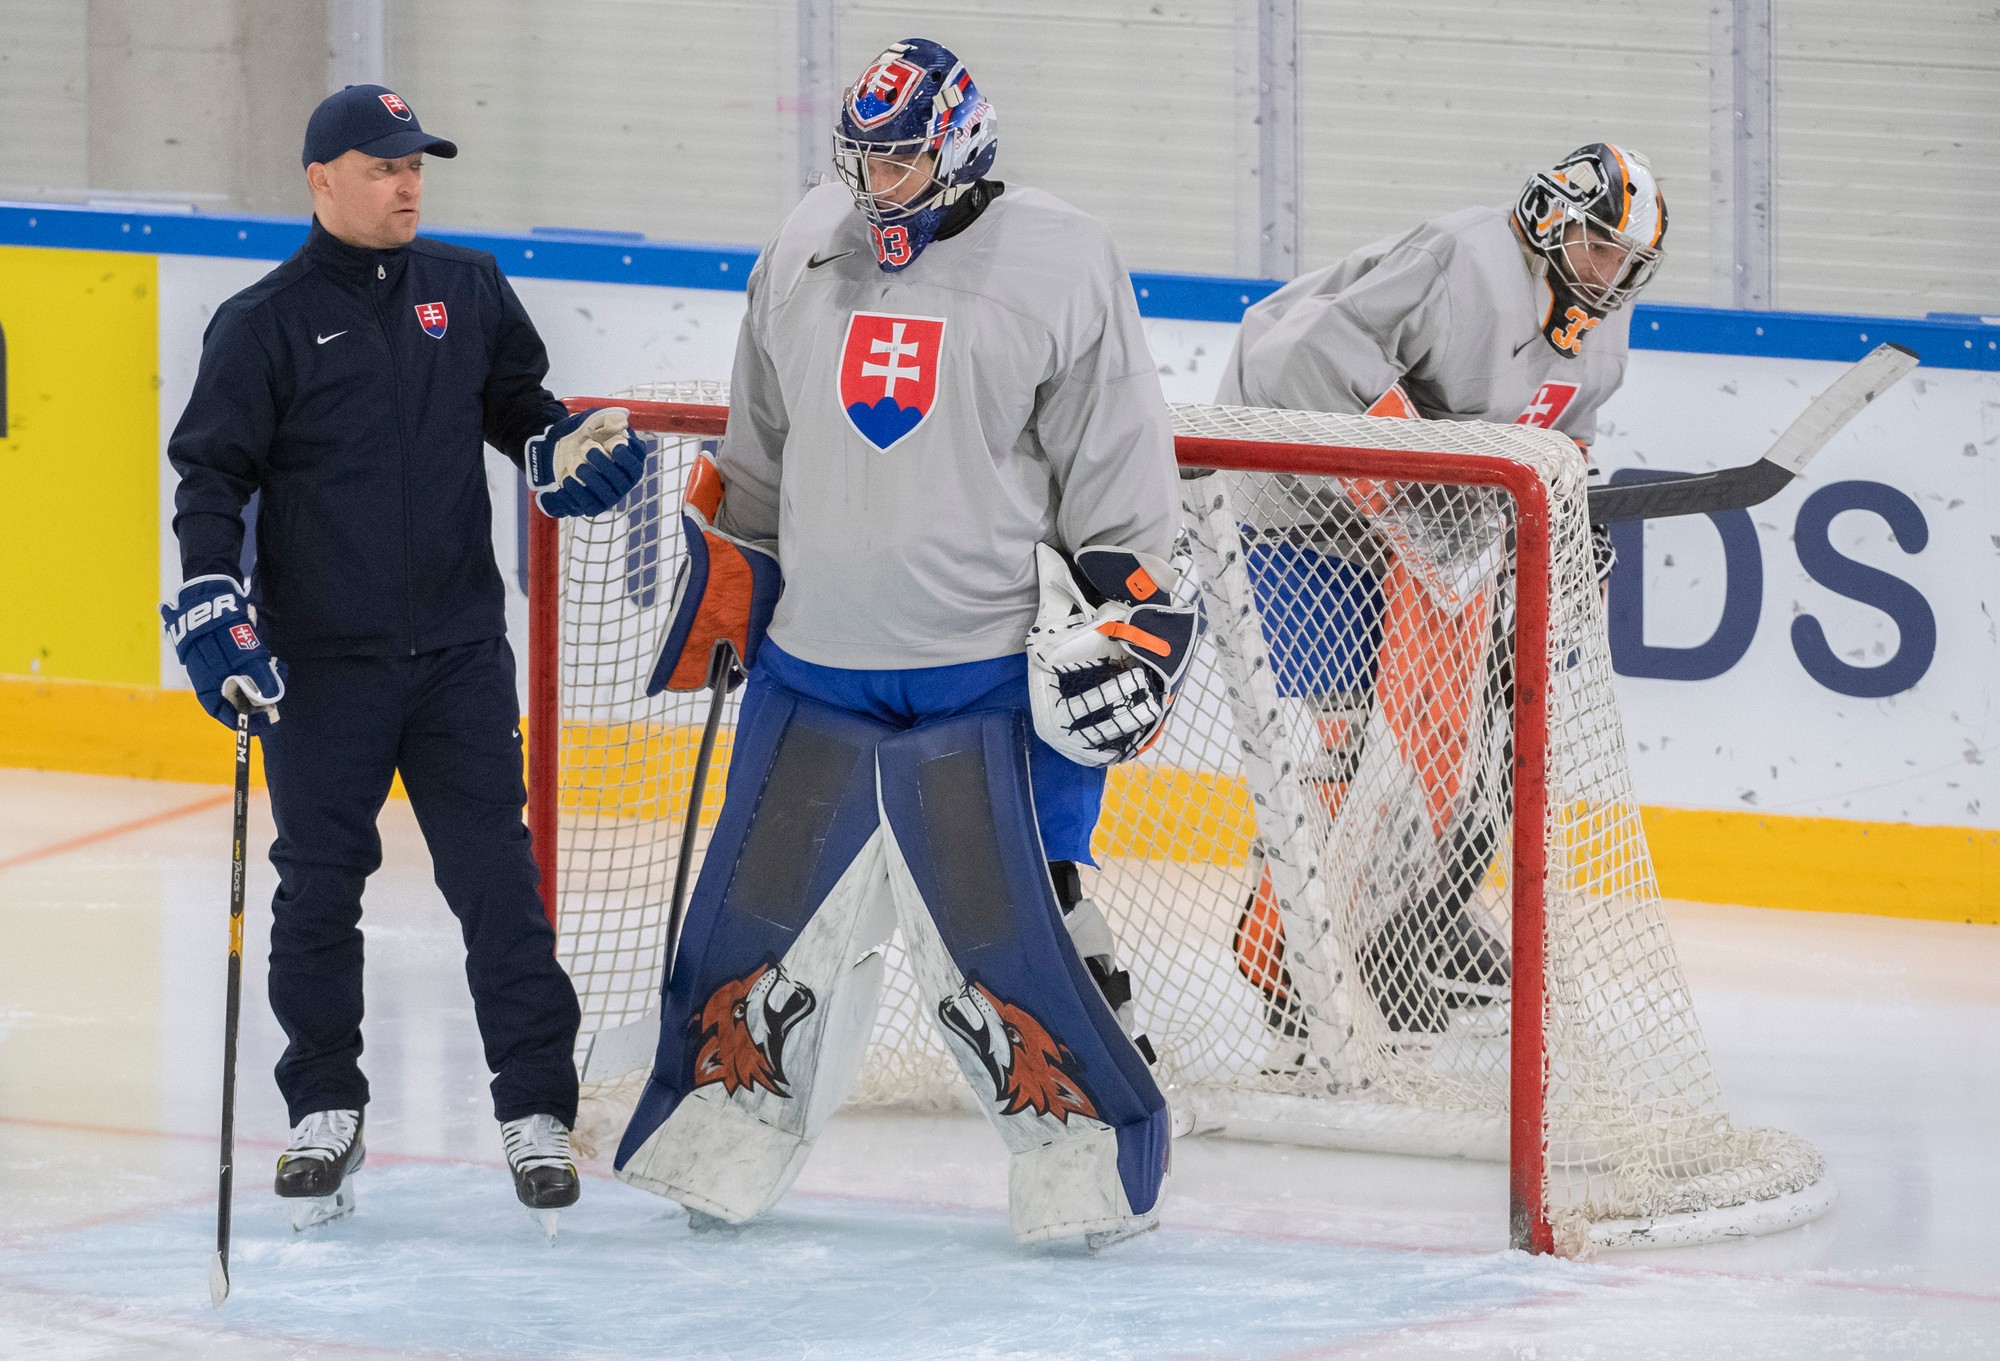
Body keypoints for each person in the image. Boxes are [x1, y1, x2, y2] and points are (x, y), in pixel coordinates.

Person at [610, 39, 1194, 1247]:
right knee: (752, 941)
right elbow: (759, 444)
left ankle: (1087, 1178)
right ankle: (716, 1147)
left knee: (1016, 949)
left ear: (964, 144)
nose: (880, 182)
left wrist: (1130, 608)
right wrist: (737, 572)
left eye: (905, 156)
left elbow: (1115, 462)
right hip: (811, 665)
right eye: (864, 158)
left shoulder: (1061, 255)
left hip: (976, 677)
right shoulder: (804, 245)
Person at [161, 84, 647, 1234]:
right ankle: (324, 1105)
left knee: (500, 890)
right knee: (319, 892)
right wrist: (212, 600)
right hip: (322, 666)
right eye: (382, 166)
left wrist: (559, 451)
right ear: (320, 179)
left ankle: (534, 1110)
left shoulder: (465, 288)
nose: (407, 182)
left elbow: (520, 410)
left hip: (458, 659)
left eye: (416, 162)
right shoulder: (263, 319)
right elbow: (211, 481)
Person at [1213, 144, 1667, 1048]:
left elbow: (1558, 440)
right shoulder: (1463, 260)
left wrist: (1571, 512)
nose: (1609, 273)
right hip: (1299, 500)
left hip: (1430, 518)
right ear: (1549, 219)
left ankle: (1413, 919)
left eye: (1626, 260)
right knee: (1345, 738)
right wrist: (1416, 475)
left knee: (1490, 723)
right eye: (1595, 246)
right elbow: (1301, 359)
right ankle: (1290, 958)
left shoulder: (1599, 322)